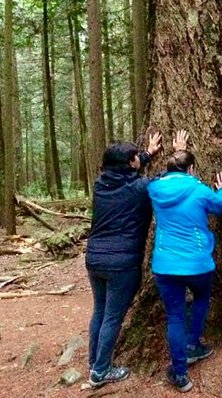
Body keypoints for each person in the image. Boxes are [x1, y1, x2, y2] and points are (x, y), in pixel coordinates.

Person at [148, 131, 222, 392]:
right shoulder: (199, 190)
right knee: (202, 299)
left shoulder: (155, 188)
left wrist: (176, 153)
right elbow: (219, 206)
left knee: (174, 316)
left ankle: (181, 374)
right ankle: (194, 343)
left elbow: (161, 177)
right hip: (197, 263)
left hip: (165, 264)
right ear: (192, 169)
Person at [86, 132, 163, 388]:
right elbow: (164, 180)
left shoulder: (100, 184)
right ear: (130, 164)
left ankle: (94, 360)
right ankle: (100, 371)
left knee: (100, 311)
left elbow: (132, 169)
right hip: (122, 263)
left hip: (95, 259)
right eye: (135, 158)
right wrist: (178, 156)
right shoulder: (140, 188)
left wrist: (148, 154)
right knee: (112, 317)